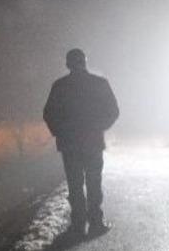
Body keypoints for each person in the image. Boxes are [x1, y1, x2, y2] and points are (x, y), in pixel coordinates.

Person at [43, 48, 119, 236]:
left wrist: (60, 132)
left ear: (68, 64)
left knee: (75, 184)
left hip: (69, 145)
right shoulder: (99, 83)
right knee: (94, 182)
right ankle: (96, 222)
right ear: (85, 62)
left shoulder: (60, 86)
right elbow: (113, 111)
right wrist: (99, 127)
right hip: (93, 142)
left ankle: (78, 224)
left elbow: (48, 114)